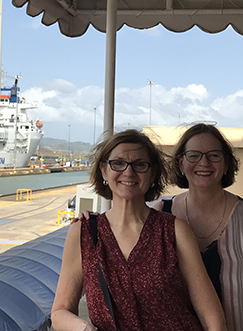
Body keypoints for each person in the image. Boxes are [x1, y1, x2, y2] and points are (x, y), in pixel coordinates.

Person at [51, 129, 227, 331]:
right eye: (118, 163)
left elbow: (210, 315)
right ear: (103, 171)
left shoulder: (174, 230)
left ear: (152, 174)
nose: (128, 172)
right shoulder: (84, 233)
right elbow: (60, 311)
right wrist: (85, 328)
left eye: (140, 165)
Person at [152, 123, 242, 331]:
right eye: (193, 155)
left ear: (227, 164)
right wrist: (92, 220)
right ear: (181, 164)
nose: (204, 162)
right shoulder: (160, 214)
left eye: (214, 155)